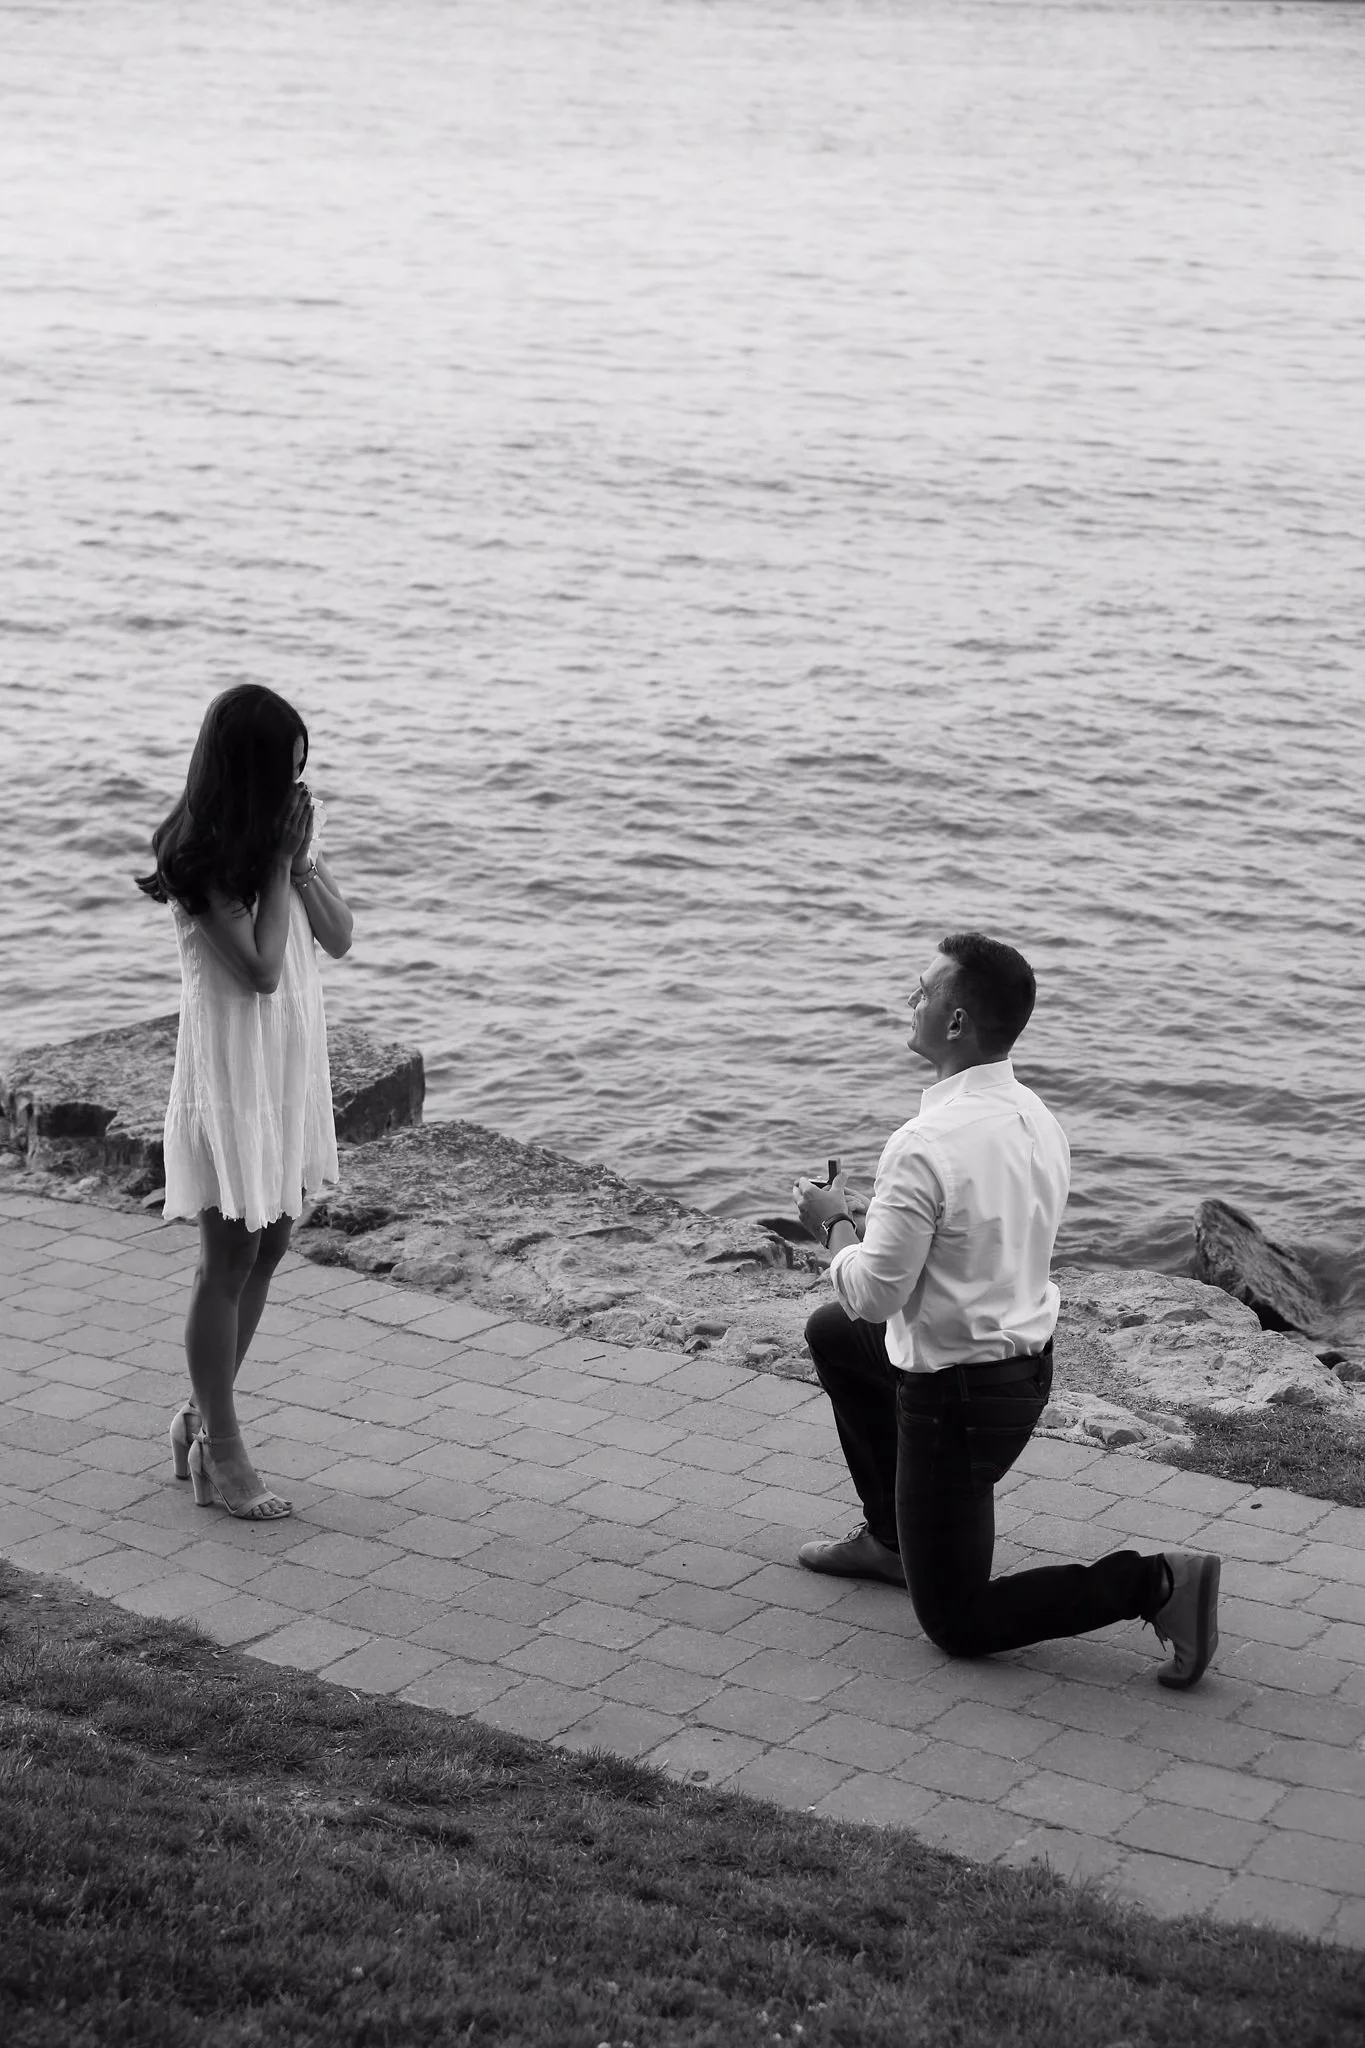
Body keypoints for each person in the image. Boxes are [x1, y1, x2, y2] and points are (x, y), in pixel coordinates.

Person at [792, 932, 1220, 1690]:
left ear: (955, 1023)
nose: (908, 1001)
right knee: (834, 1335)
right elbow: (961, 1249)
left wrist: (831, 1223)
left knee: (956, 1625)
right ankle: (892, 1542)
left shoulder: (923, 1142)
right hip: (1018, 1371)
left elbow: (872, 1292)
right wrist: (882, 1228)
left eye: (922, 991)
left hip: (956, 1405)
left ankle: (1154, 1583)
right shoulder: (1033, 1117)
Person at [138, 685, 353, 1521]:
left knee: (268, 1255)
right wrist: (277, 863)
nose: (299, 790)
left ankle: (199, 1420)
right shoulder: (195, 859)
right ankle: (223, 1454)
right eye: (286, 773)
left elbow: (337, 936)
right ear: (249, 773)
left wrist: (299, 864)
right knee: (225, 1263)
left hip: (289, 1067)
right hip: (232, 1075)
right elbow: (260, 970)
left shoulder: (283, 839)